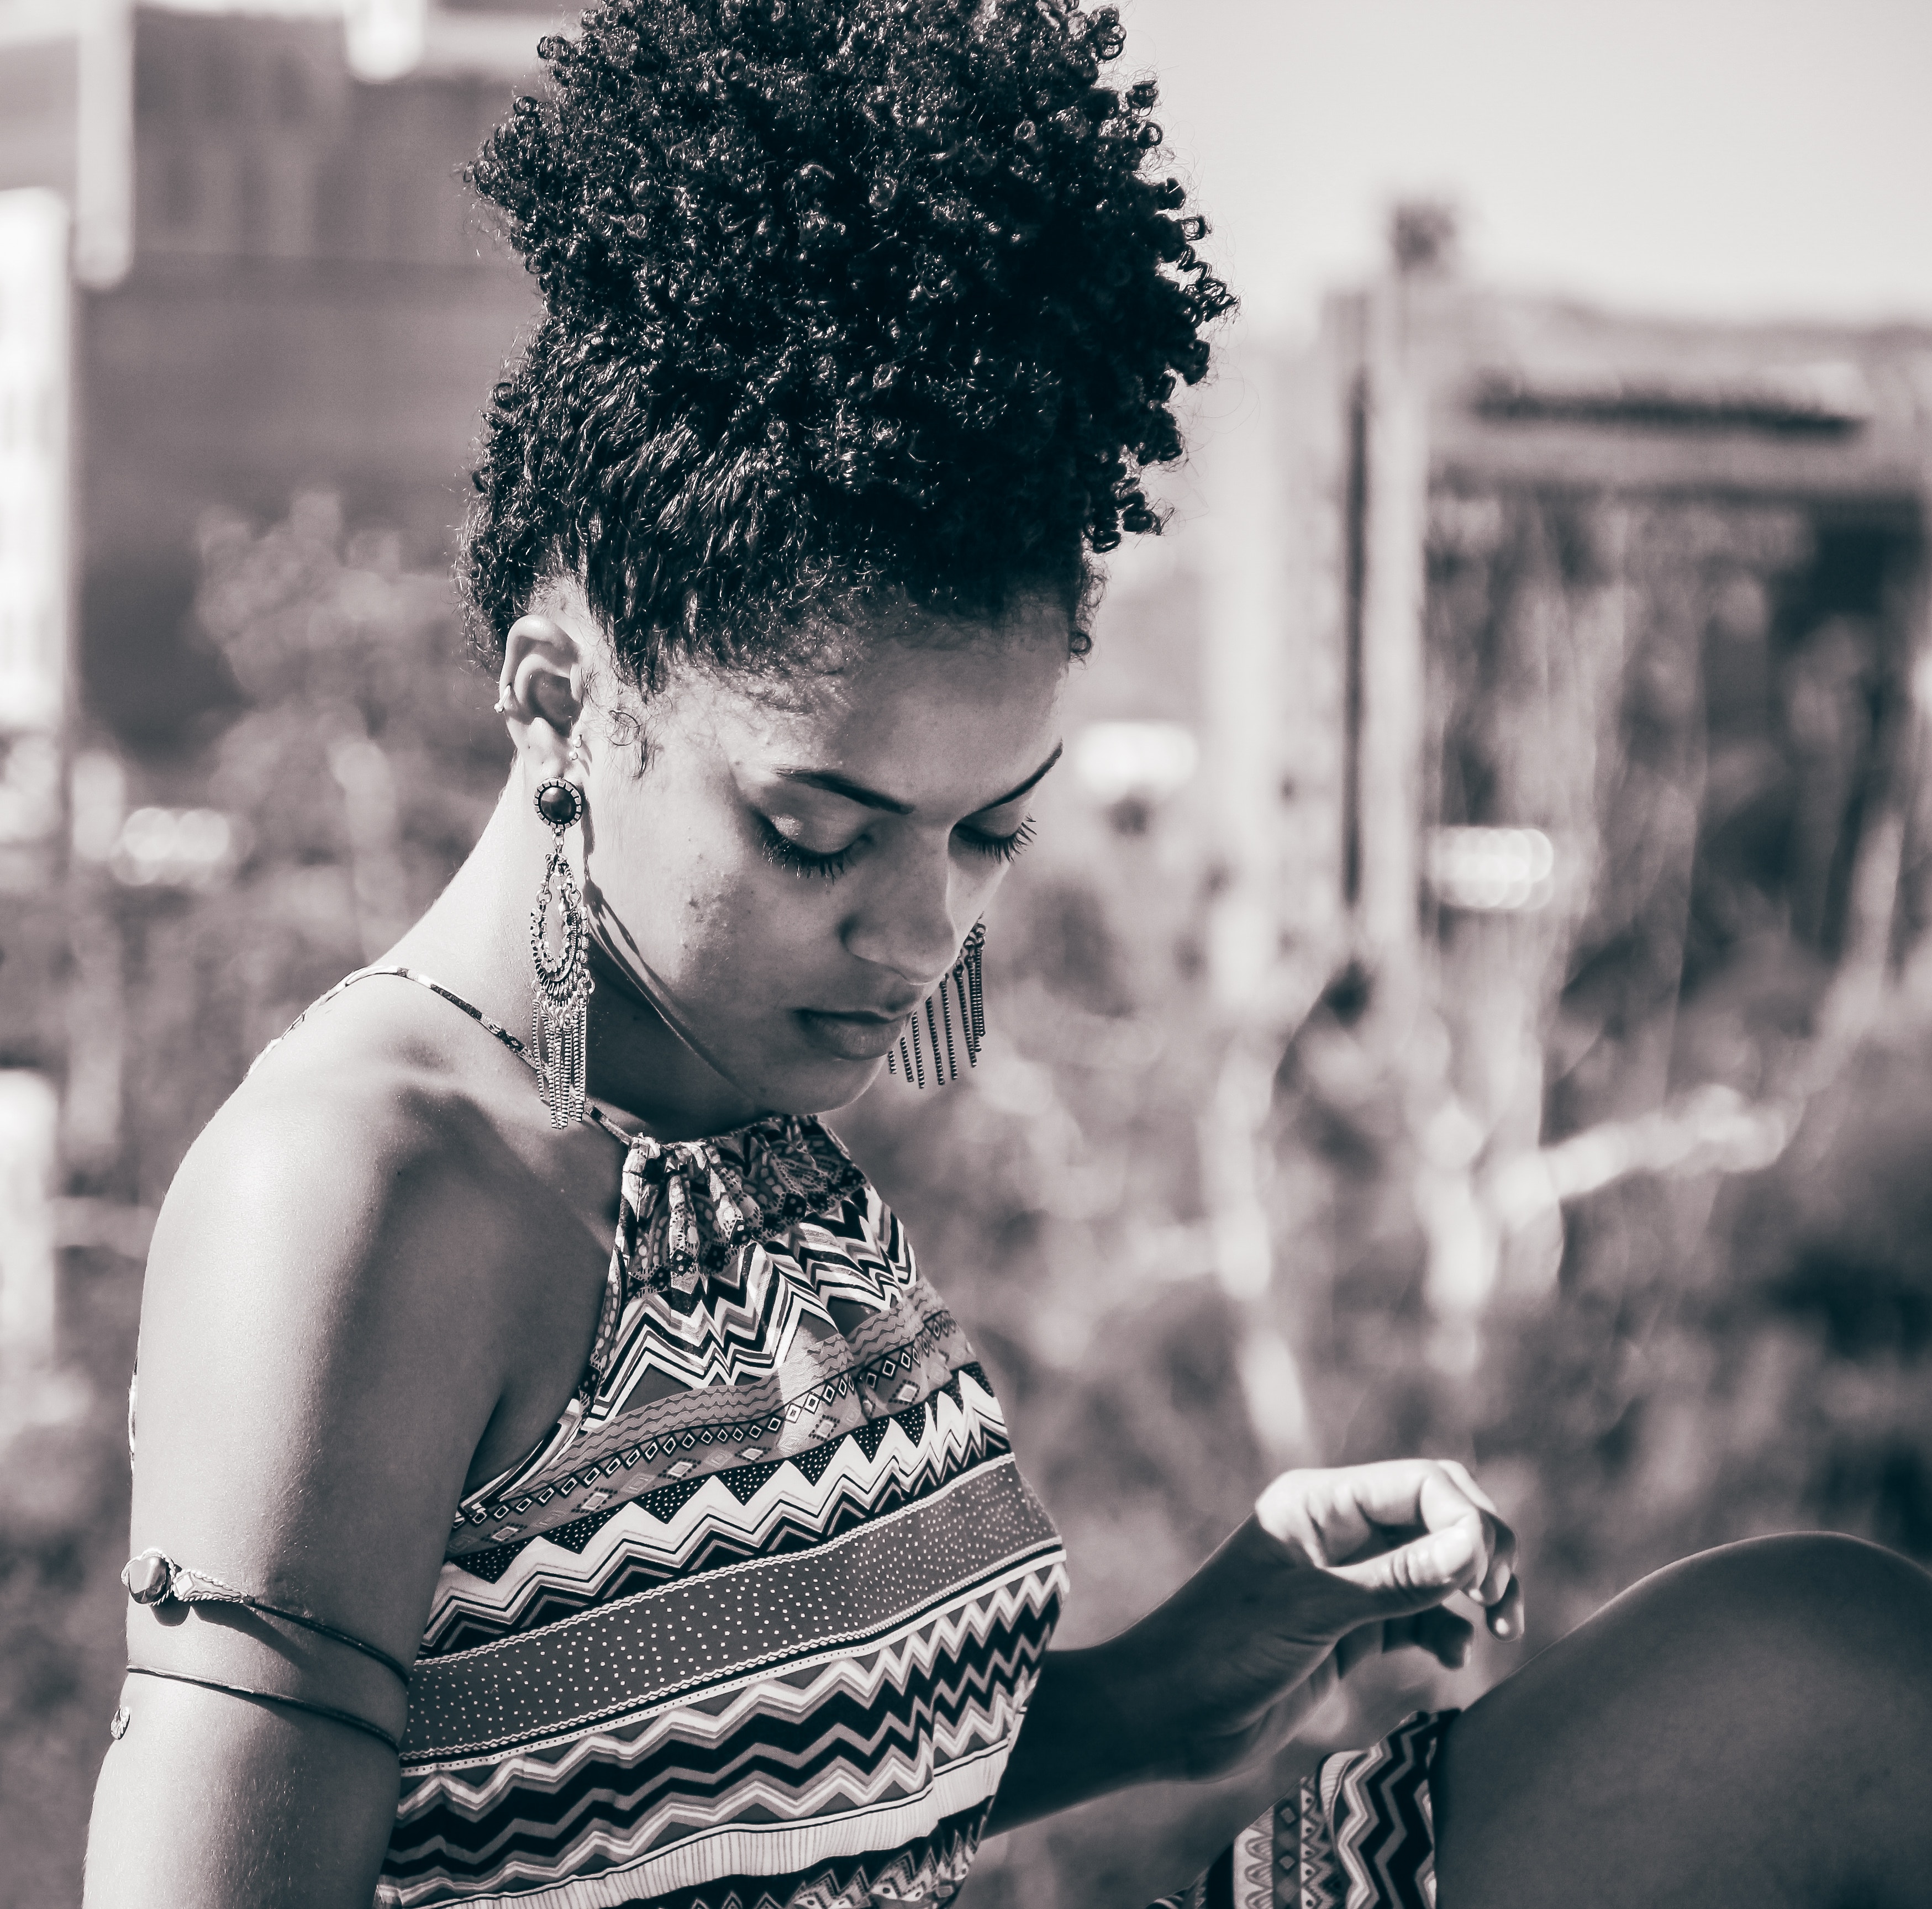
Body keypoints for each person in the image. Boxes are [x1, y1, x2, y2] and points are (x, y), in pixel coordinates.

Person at [84, 3, 1932, 1906]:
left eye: (987, 831)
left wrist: (1177, 1677)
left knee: (1812, 1671)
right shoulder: (359, 1193)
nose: (914, 930)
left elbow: (748, 1804)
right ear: (560, 692)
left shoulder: (731, 1128)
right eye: (816, 831)